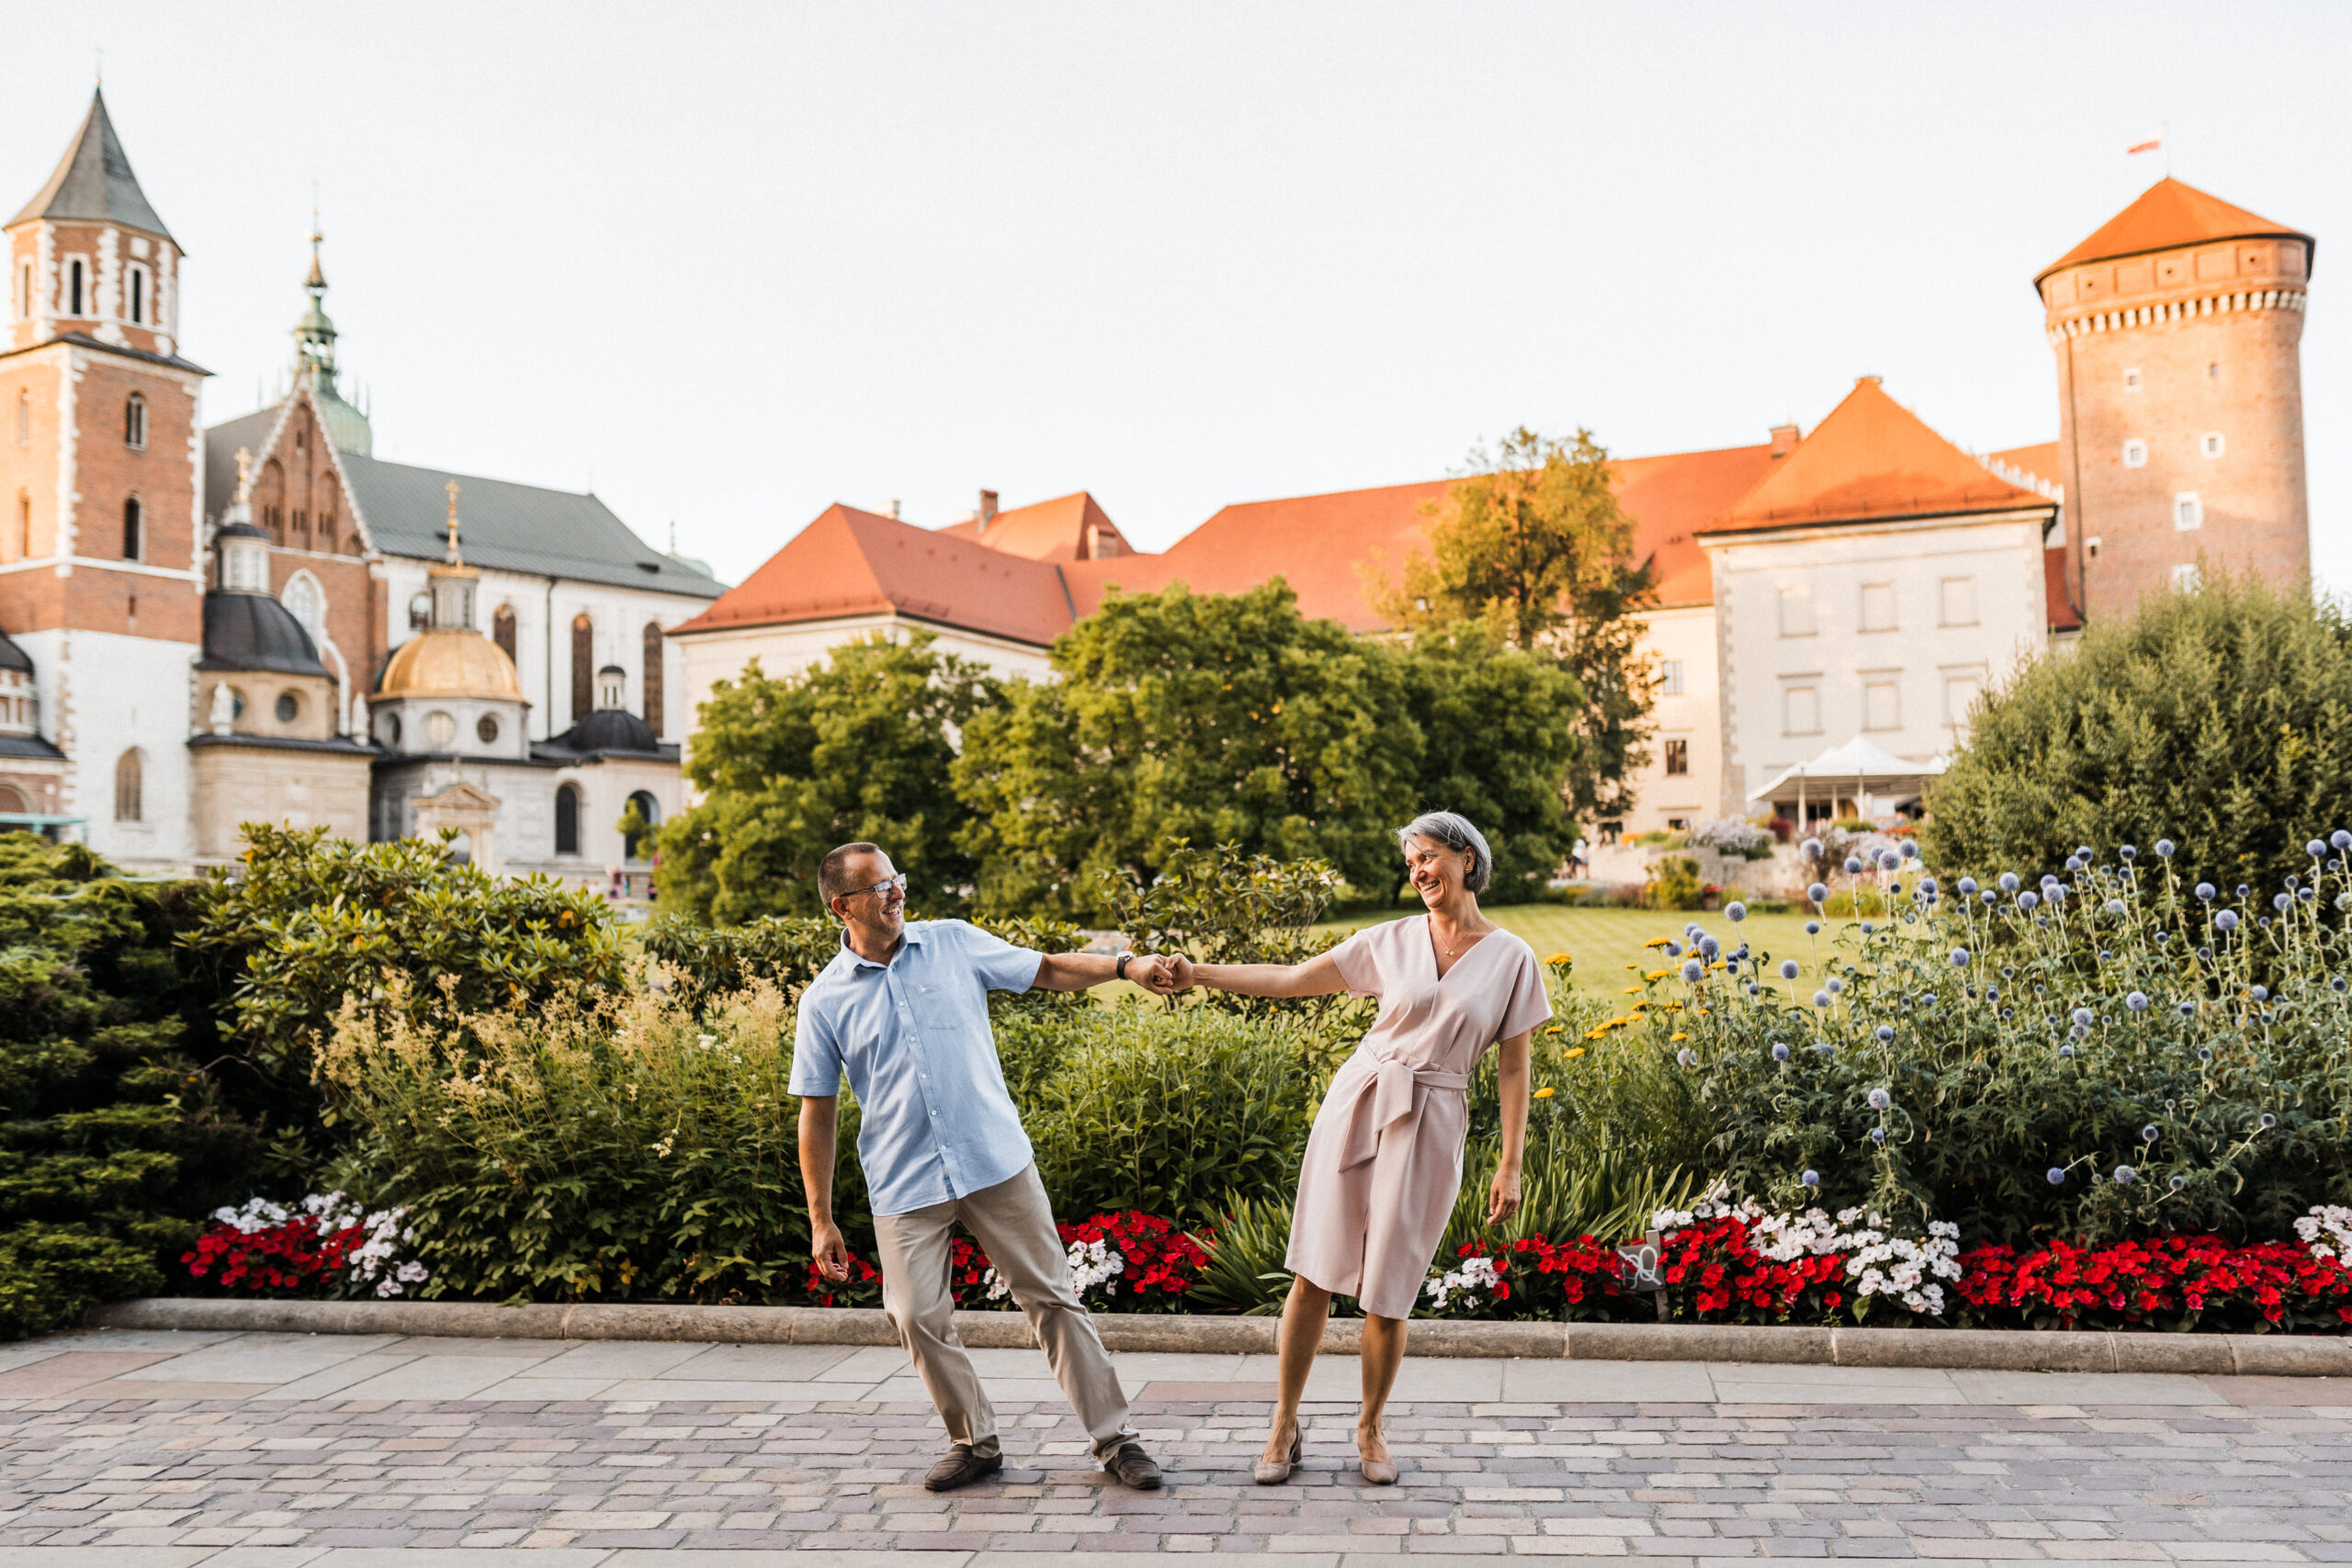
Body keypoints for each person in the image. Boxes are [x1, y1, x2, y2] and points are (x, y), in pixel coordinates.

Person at [1146, 810, 1549, 1485]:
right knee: (1314, 1271)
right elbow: (1289, 979)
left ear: (1467, 859)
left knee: (1390, 1286)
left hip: (1434, 1120)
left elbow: (1514, 1066)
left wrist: (1511, 1163)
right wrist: (1199, 974)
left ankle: (1370, 1426)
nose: (1419, 871)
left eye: (1428, 856)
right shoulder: (1389, 940)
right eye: (1411, 862)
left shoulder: (1512, 958)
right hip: (1360, 1102)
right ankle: (1284, 1422)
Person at [794, 841, 1175, 1494]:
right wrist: (821, 1218)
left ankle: (1116, 1440)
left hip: (994, 1161)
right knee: (914, 1315)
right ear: (841, 906)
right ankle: (974, 1442)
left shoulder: (953, 942)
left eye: (896, 879)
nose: (896, 892)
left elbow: (1046, 969)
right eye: (879, 887)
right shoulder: (824, 1001)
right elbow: (817, 1112)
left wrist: (1124, 965)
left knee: (1052, 1298)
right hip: (904, 1178)